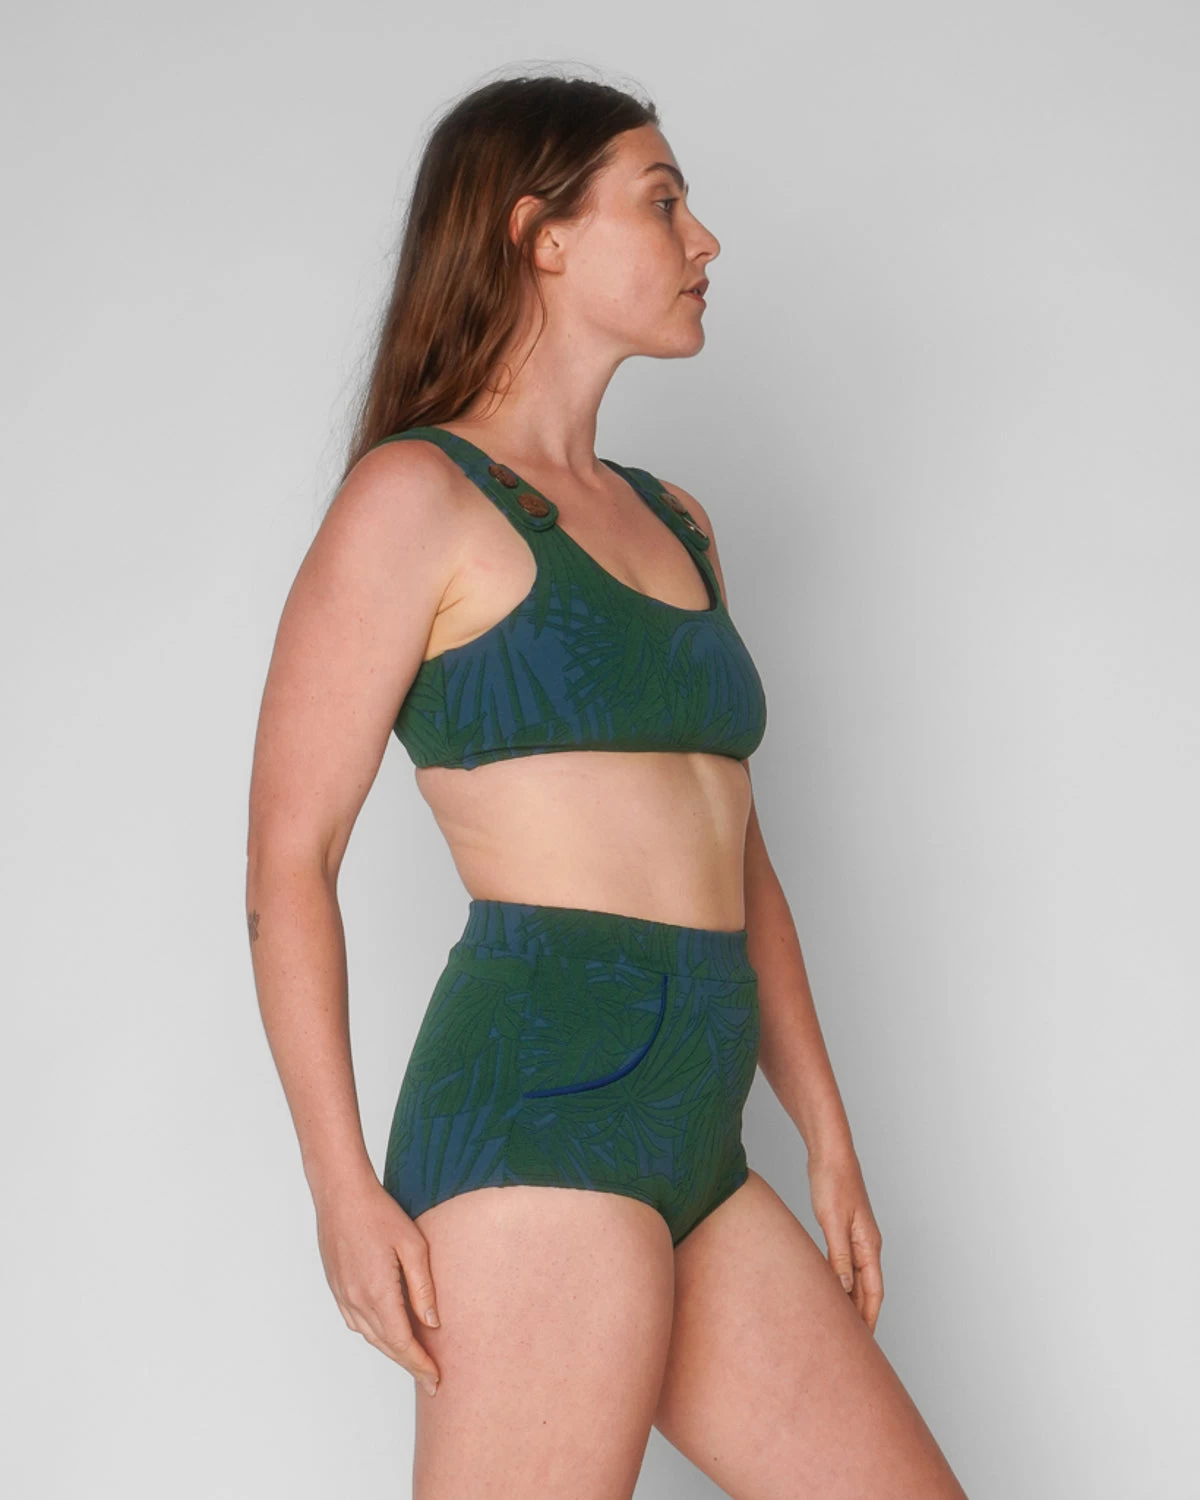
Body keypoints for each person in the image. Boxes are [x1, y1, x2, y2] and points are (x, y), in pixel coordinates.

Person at [246, 70, 969, 1500]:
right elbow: (289, 862)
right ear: (543, 235)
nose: (705, 241)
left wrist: (825, 1134)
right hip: (538, 1107)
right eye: (664, 202)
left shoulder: (677, 522)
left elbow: (738, 859)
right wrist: (339, 1187)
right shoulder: (415, 501)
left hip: (701, 1127)